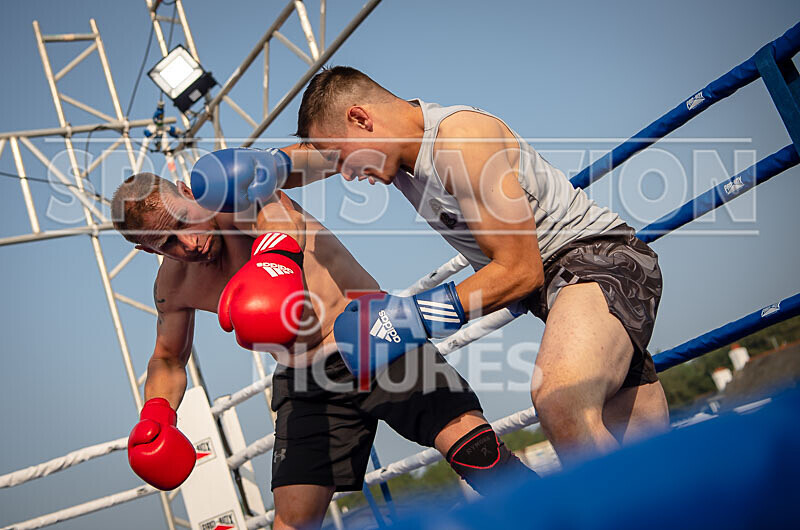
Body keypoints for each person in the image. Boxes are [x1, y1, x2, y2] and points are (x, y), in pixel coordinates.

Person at [195, 66, 671, 463]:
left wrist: (406, 318)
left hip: (598, 264)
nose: (345, 174)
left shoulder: (459, 143)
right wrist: (264, 166)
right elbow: (309, 159)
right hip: (563, 291)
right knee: (652, 457)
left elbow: (520, 271)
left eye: (343, 158)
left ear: (361, 118)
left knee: (560, 401)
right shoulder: (394, 154)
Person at [111, 171, 535, 529]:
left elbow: (280, 225)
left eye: (184, 224)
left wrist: (270, 264)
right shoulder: (173, 286)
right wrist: (157, 414)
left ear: (188, 192)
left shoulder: (241, 197)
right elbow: (167, 357)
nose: (187, 244)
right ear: (145, 250)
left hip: (374, 334)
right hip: (304, 378)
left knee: (478, 455)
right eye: (166, 243)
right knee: (292, 523)